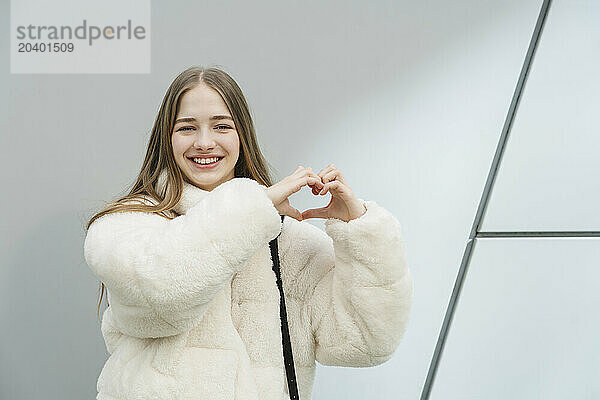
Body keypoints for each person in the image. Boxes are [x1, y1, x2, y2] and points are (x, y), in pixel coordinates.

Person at [83, 65, 414, 400]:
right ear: (166, 139)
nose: (204, 142)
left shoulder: (286, 242)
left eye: (221, 126)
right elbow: (164, 295)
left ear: (242, 135)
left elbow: (365, 342)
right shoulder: (125, 226)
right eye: (186, 128)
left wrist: (357, 230)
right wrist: (256, 208)